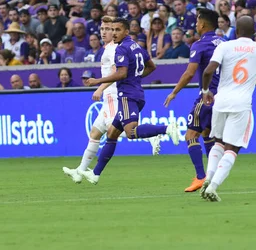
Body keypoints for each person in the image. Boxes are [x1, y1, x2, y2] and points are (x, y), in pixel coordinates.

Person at [77, 18, 181, 184]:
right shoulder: (137, 47)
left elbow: (121, 73)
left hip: (127, 95)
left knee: (131, 132)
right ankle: (95, 173)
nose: (115, 33)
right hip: (137, 93)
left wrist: (97, 81)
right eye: (113, 30)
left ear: (126, 31)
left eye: (118, 30)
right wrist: (136, 77)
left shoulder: (121, 49)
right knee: (112, 134)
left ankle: (167, 128)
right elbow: (152, 66)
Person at [200, 16, 256, 201]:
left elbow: (208, 71)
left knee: (218, 142)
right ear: (254, 32)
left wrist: (205, 91)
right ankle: (213, 186)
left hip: (220, 101)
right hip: (241, 104)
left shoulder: (224, 46)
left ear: (236, 31)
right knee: (232, 147)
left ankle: (208, 176)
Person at [164, 9, 224, 192]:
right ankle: (211, 176)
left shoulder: (199, 45)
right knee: (207, 133)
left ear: (203, 24)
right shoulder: (224, 43)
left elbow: (190, 73)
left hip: (207, 96)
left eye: (197, 22)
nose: (196, 25)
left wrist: (174, 92)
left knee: (190, 135)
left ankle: (200, 176)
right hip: (223, 96)